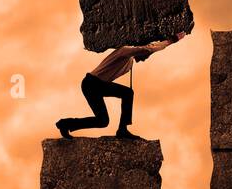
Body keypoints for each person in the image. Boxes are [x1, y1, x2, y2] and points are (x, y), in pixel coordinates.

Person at [56, 31, 185, 139]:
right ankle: (122, 130)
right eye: (145, 56)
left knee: (102, 121)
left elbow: (147, 50)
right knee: (127, 93)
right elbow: (148, 48)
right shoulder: (125, 50)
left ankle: (65, 124)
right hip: (92, 83)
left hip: (95, 85)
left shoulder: (129, 62)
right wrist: (171, 40)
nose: (145, 58)